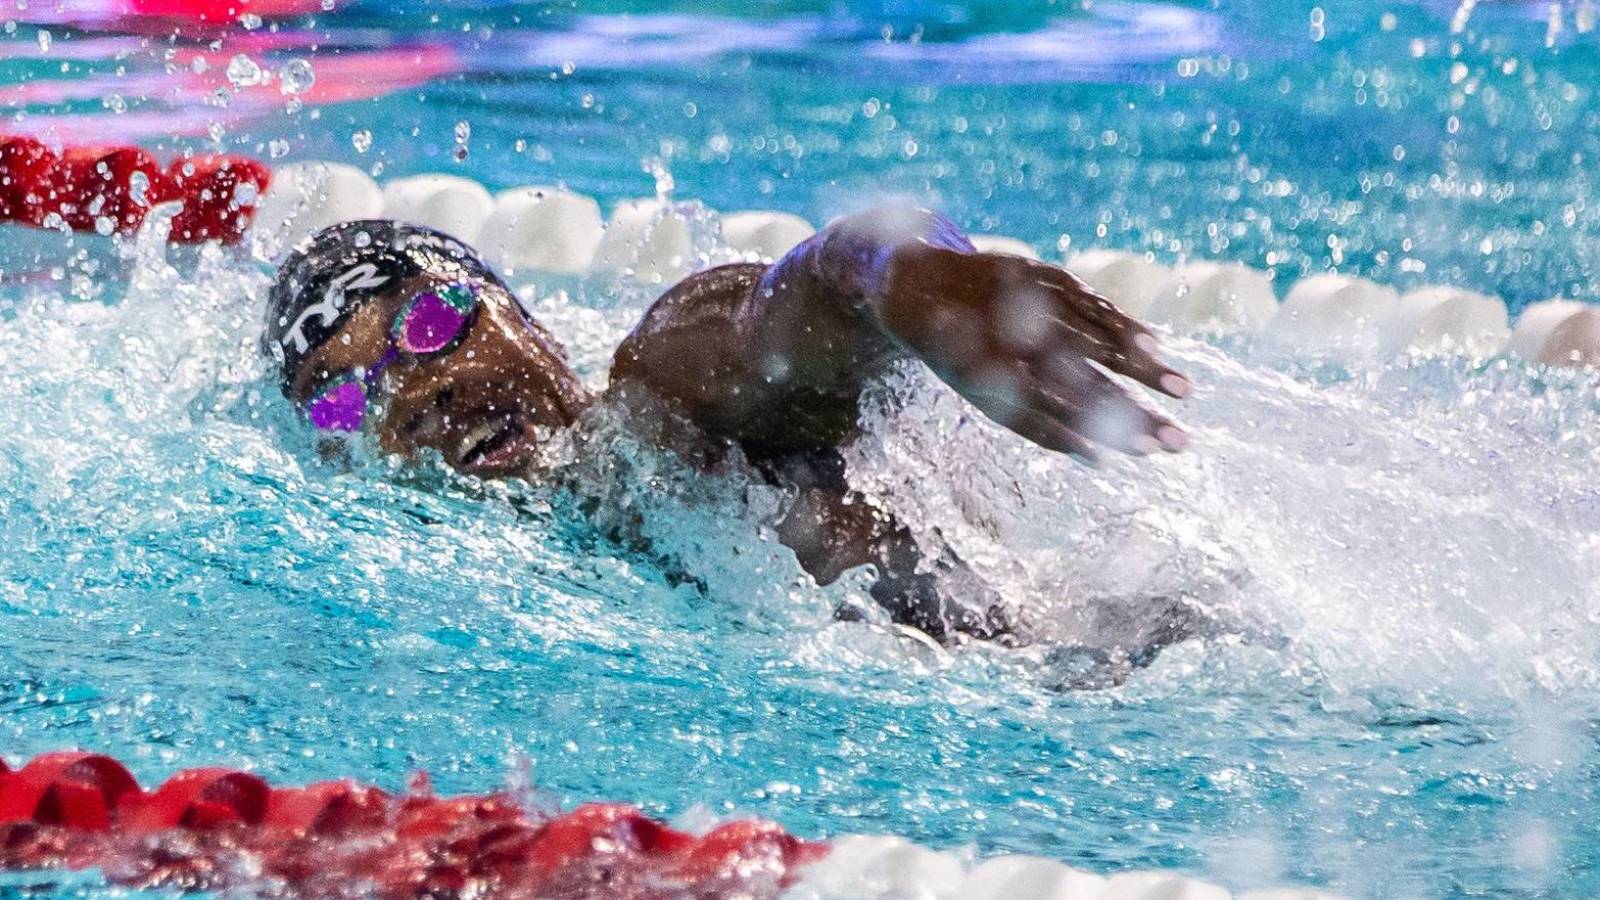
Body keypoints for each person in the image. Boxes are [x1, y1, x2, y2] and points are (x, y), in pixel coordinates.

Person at [264, 207, 1192, 647]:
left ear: (523, 316)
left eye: (432, 326)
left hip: (1119, 668)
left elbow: (804, 294)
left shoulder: (657, 401)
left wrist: (909, 284)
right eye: (344, 399)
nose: (414, 396)